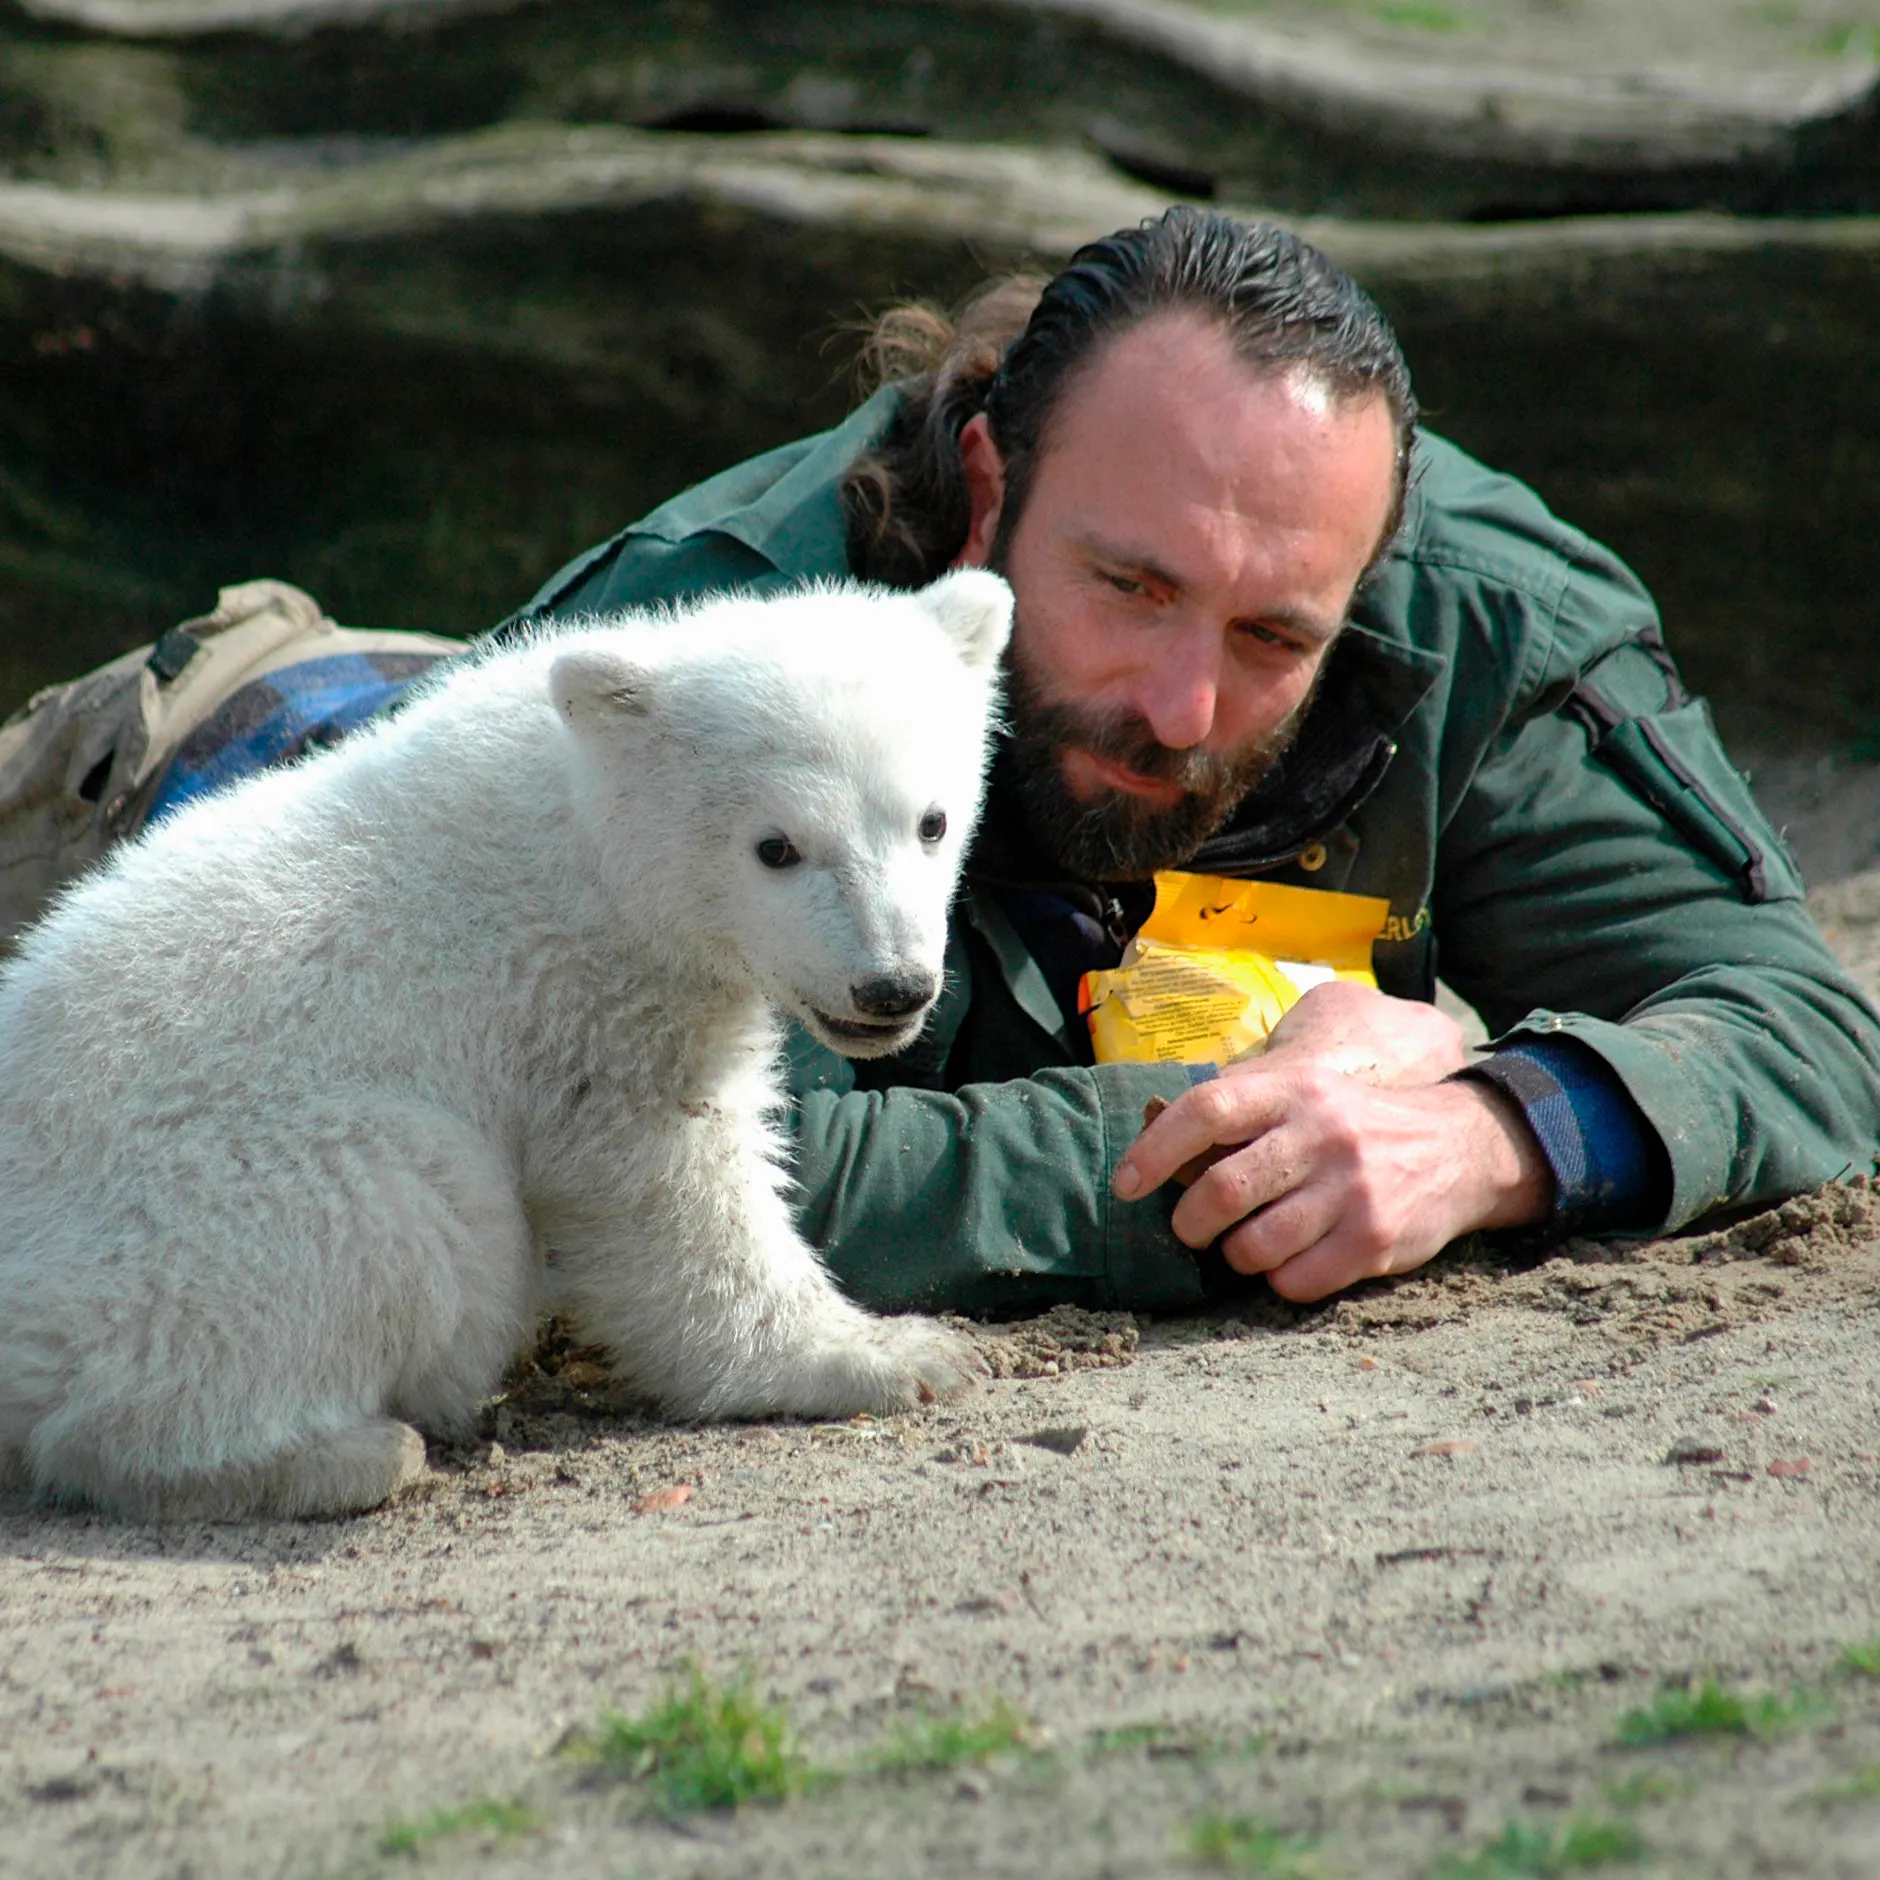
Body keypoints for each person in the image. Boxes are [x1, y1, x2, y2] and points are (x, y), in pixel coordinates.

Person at [6, 207, 1873, 1318]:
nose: (1178, 703)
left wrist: (1496, 1129)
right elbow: (625, 1164)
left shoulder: (1479, 621)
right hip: (232, 804)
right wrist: (1248, 1131)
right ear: (990, 490)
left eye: (1272, 637)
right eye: (1125, 586)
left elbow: (1797, 1024)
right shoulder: (721, 622)